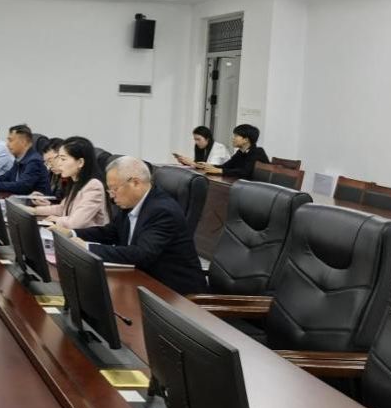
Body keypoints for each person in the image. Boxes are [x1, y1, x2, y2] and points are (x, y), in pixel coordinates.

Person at [64, 156, 204, 294]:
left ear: (135, 183)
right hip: (142, 280)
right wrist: (72, 233)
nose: (111, 196)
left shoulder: (162, 211)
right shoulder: (132, 203)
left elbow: (141, 254)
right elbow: (110, 232)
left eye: (114, 189)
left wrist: (87, 248)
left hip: (175, 293)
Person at [36, 137, 110, 230]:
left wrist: (57, 220)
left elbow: (75, 223)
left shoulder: (94, 186)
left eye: (63, 159)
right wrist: (34, 210)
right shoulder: (75, 183)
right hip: (71, 234)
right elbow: (62, 208)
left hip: (85, 238)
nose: (59, 164)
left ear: (80, 162)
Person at [0, 124, 51, 195]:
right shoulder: (19, 160)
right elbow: (6, 177)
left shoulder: (34, 161)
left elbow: (21, 186)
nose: (7, 144)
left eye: (10, 140)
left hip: (37, 202)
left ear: (23, 142)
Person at [197, 124, 269, 179]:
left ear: (246, 140)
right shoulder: (240, 152)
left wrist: (220, 170)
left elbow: (245, 172)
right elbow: (226, 166)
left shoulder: (257, 152)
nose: (233, 138)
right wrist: (208, 166)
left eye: (236, 136)